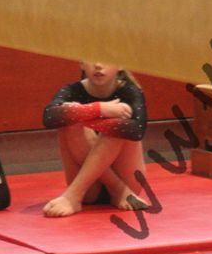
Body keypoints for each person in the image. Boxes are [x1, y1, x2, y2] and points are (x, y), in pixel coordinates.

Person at [41, 60, 147, 217]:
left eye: (105, 58)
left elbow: (137, 131)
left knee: (119, 126)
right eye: (91, 58)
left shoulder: (130, 91)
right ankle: (115, 190)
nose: (98, 65)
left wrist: (86, 116)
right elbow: (49, 118)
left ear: (120, 65)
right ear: (81, 64)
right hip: (89, 190)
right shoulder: (71, 90)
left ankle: (73, 195)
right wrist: (99, 109)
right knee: (67, 118)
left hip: (128, 180)